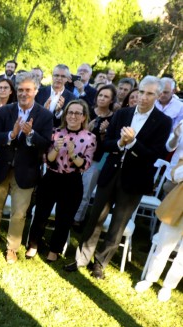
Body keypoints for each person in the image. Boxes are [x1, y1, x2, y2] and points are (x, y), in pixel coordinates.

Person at [64, 76, 172, 279]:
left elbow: (155, 154)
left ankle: (100, 263)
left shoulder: (163, 121)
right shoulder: (122, 114)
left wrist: (132, 144)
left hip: (135, 179)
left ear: (157, 96)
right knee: (95, 217)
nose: (143, 97)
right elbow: (106, 144)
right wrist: (121, 144)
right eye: (141, 92)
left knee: (118, 224)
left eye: (149, 94)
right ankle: (81, 258)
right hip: (110, 173)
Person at [0, 72, 53, 264]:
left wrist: (31, 134)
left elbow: (45, 144)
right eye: (20, 90)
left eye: (28, 90)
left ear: (35, 91)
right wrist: (12, 134)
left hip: (26, 171)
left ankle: (12, 248)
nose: (23, 93)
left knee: (19, 213)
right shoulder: (5, 111)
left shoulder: (44, 115)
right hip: (3, 167)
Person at [26, 100, 96, 262]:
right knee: (41, 214)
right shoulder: (55, 132)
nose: (73, 116)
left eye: (77, 113)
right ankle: (33, 245)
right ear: (65, 115)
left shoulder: (90, 138)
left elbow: (84, 165)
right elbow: (47, 160)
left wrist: (72, 153)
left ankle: (54, 250)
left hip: (72, 181)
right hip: (51, 178)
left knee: (64, 219)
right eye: (70, 112)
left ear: (84, 117)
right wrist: (56, 149)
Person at [134, 157, 183, 302]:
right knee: (162, 248)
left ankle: (168, 286)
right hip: (176, 207)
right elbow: (175, 175)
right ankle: (150, 279)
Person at [73, 85, 117, 227]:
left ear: (111, 100)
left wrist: (104, 133)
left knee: (86, 190)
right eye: (100, 95)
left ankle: (77, 219)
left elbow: (110, 144)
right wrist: (86, 130)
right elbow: (74, 135)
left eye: (106, 96)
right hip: (78, 155)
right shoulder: (87, 112)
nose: (102, 98)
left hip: (99, 158)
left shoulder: (114, 118)